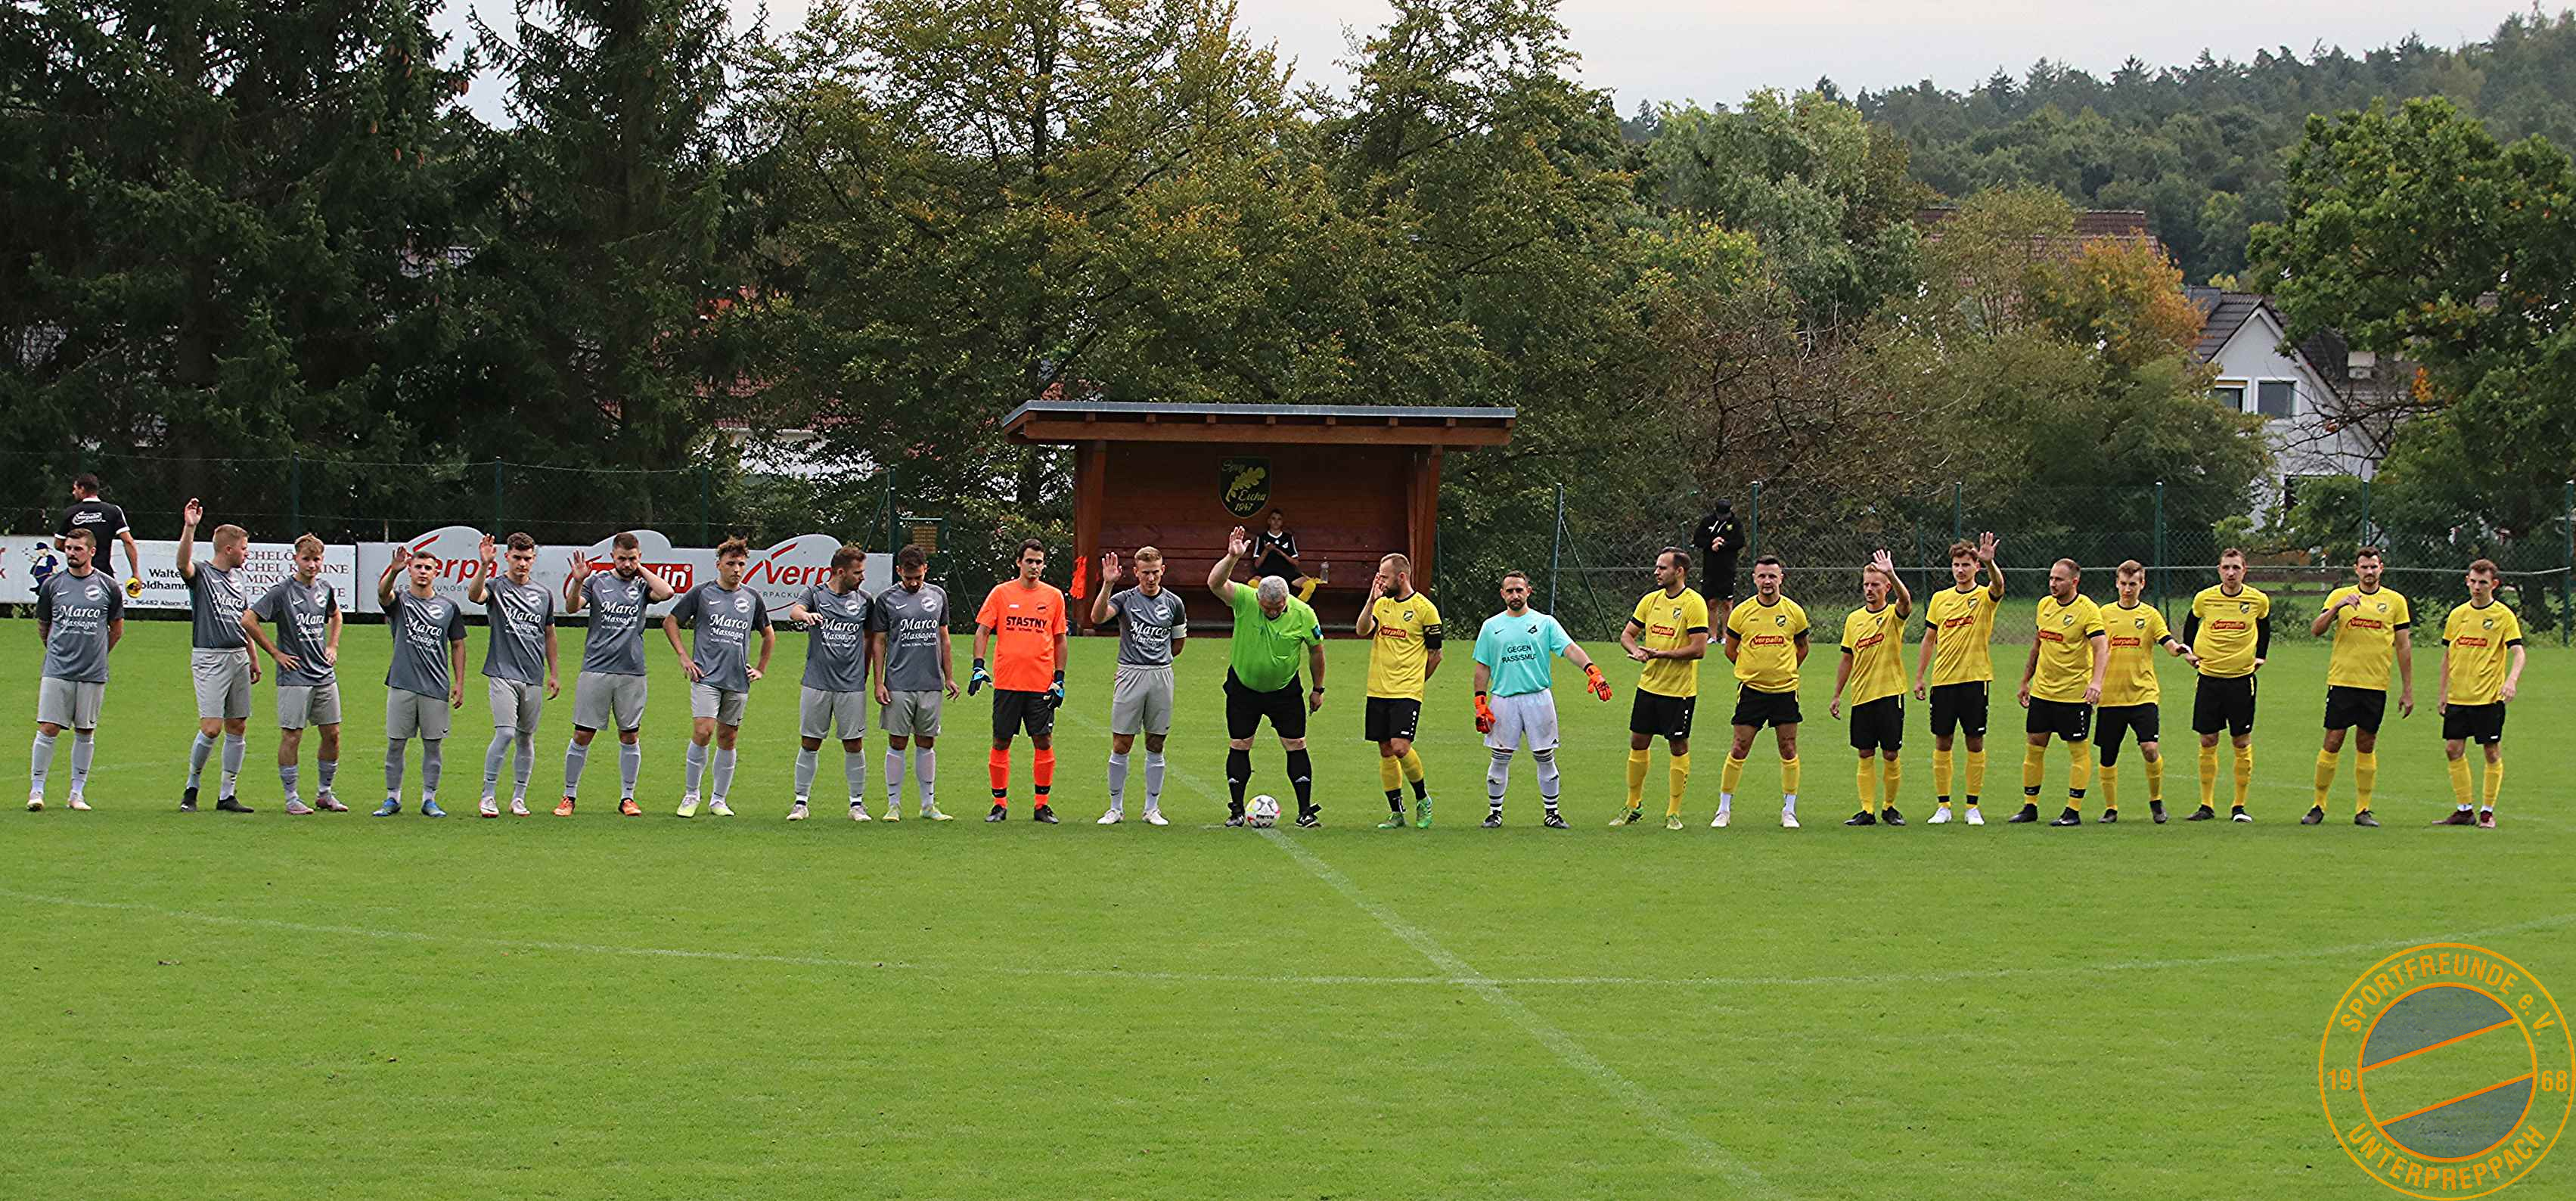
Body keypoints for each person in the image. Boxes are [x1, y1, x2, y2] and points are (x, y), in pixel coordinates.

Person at [1206, 526, 1328, 827]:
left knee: (1296, 744)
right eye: (1267, 608)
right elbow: (1215, 583)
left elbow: (1316, 651)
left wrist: (1318, 689)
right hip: (1243, 688)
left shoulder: (1304, 613)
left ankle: (1305, 811)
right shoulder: (1245, 599)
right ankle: (1236, 811)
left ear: (1287, 599)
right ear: (1258, 598)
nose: (1273, 612)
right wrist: (1232, 557)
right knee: (1240, 744)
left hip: (1285, 691)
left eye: (1278, 608)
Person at [1471, 569, 1610, 827]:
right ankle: (1495, 813)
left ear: (1529, 591)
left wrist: (1592, 671)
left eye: (1519, 590)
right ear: (1503, 594)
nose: (1515, 595)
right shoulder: (1491, 626)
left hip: (1538, 698)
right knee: (1500, 756)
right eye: (1510, 591)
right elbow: (1483, 666)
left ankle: (1552, 813)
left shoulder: (1545, 623)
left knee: (1545, 755)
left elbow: (1569, 648)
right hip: (1503, 700)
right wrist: (1480, 702)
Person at [558, 532, 678, 816]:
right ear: (612, 556)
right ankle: (569, 796)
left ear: (639, 557)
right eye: (622, 558)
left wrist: (641, 570)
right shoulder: (596, 582)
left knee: (630, 735)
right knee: (582, 734)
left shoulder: (642, 585)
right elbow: (571, 607)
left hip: (632, 671)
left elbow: (667, 593)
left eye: (632, 559)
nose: (627, 564)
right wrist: (578, 580)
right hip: (596, 668)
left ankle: (627, 798)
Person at [663, 537, 775, 818]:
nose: (736, 569)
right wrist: (684, 657)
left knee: (728, 737)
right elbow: (671, 621)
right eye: (731, 564)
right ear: (719, 565)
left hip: (738, 680)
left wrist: (761, 668)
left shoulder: (752, 598)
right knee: (703, 731)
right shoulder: (702, 593)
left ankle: (719, 800)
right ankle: (691, 795)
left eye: (741, 564)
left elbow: (768, 634)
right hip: (706, 677)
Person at [2307, 548, 2413, 827]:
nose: (2369, 571)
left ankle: (2363, 809)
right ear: (2356, 569)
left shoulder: (2395, 601)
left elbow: (2403, 646)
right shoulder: (2339, 596)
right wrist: (2337, 608)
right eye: (2364, 567)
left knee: (2366, 744)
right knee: (2333, 741)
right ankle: (2318, 805)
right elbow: (2316, 630)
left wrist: (2407, 689)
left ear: (2381, 568)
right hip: (2342, 681)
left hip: (2375, 685)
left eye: (2373, 567)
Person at [244, 535, 346, 814]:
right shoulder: (282, 592)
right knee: (292, 736)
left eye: (316, 560)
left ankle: (325, 793)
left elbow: (336, 615)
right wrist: (276, 653)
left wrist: (333, 645)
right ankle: (291, 798)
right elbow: (248, 620)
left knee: (333, 734)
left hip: (324, 674)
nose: (312, 565)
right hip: (294, 675)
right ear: (295, 559)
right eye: (306, 559)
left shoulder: (325, 588)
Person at [972, 538, 1070, 822]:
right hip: (1007, 683)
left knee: (1043, 740)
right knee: (1001, 741)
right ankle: (999, 804)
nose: (1034, 566)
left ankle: (1042, 805)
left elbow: (1060, 639)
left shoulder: (1054, 597)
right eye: (1029, 561)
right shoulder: (1001, 593)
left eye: (1039, 562)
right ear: (1019, 562)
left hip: (1041, 685)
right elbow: (983, 631)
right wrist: (978, 666)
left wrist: (1059, 679)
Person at [28, 529, 123, 812]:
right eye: (68, 548)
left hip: (93, 672)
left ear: (92, 551)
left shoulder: (108, 586)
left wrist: (97, 655)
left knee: (85, 730)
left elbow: (116, 629)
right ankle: (36, 790)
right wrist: (58, 652)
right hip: (57, 669)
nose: (71, 553)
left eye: (78, 549)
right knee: (48, 727)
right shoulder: (52, 585)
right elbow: (44, 625)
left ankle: (76, 794)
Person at [2093, 560, 2196, 824]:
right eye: (2123, 584)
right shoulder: (2103, 614)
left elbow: (2167, 642)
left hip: (2143, 694)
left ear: (2142, 584)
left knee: (2150, 749)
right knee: (2108, 755)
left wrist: (2180, 651)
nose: (2128, 589)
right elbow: (2092, 646)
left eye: (2133, 584)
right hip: (2110, 696)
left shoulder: (2150, 615)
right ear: (2116, 583)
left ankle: (2156, 801)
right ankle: (2111, 809)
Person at [1615, 548, 1710, 829]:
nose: (1656, 572)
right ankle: (1633, 805)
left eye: (1662, 568)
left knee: (1678, 745)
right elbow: (1627, 635)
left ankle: (1673, 812)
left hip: (1679, 691)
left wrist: (1662, 654)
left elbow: (1699, 649)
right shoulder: (1650, 600)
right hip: (1648, 686)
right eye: (1657, 567)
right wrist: (1636, 651)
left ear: (1679, 571)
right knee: (1637, 742)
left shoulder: (1694, 603)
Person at [1091, 547, 1187, 825]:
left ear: (1163, 570)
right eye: (1145, 573)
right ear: (1136, 573)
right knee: (1122, 742)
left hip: (1160, 674)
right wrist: (1108, 584)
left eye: (1155, 572)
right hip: (1130, 674)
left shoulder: (1174, 603)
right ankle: (1115, 808)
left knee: (1156, 742)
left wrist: (1158, 659)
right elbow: (1098, 617)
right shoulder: (1124, 599)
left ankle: (1152, 808)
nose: (1151, 578)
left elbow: (1178, 642)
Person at [1913, 533, 2003, 825]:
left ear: (1976, 566)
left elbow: (1999, 586)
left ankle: (1972, 807)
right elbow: (1929, 639)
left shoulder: (1984, 597)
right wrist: (1920, 676)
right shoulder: (1940, 599)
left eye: (1966, 564)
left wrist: (1990, 564)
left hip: (1975, 680)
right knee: (1943, 741)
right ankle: (1943, 806)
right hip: (1943, 682)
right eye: (1956, 565)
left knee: (1974, 741)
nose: (1960, 570)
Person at [175, 499, 258, 813]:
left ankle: (227, 794)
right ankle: (191, 788)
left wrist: (253, 657)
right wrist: (190, 527)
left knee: (238, 725)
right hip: (210, 658)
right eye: (244, 548)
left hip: (238, 657)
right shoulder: (203, 574)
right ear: (228, 549)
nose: (246, 553)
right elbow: (183, 564)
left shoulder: (238, 581)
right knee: (211, 727)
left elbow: (244, 622)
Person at [2012, 559, 2109, 826]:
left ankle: (2072, 811)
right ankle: (2030, 806)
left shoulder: (2088, 610)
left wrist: (2096, 683)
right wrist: (2025, 681)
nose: (2053, 584)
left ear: (2074, 582)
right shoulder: (2044, 605)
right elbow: (2037, 645)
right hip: (2043, 692)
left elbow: (2102, 648)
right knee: (2034, 745)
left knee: (2078, 750)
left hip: (2074, 694)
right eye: (2051, 578)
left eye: (2059, 579)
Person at [1718, 555, 1811, 829]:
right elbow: (1730, 650)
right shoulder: (1741, 613)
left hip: (1785, 691)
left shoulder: (1794, 612)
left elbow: (1802, 648)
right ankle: (1723, 810)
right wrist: (1752, 670)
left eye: (1772, 576)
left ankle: (1789, 811)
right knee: (1739, 747)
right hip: (1752, 692)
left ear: (1781, 578)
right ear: (1754, 579)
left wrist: (1784, 670)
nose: (1767, 581)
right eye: (1762, 576)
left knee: (1788, 747)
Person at [470, 532, 560, 818]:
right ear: (507, 557)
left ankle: (519, 797)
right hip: (502, 672)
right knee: (506, 732)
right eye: (517, 558)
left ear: (534, 559)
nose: (522, 563)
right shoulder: (496, 586)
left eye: (527, 558)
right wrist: (484, 565)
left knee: (526, 737)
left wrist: (554, 673)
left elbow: (549, 634)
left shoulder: (543, 594)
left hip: (533, 675)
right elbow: (475, 596)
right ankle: (488, 795)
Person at [374, 548, 467, 818]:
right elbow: (383, 594)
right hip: (402, 683)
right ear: (410, 570)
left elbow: (458, 645)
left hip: (435, 687)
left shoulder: (448, 607)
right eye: (418, 567)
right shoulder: (400, 602)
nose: (423, 572)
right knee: (395, 744)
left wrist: (459, 682)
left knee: (433, 745)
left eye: (428, 568)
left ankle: (430, 799)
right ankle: (392, 798)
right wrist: (393, 571)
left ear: (436, 572)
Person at [784, 545, 874, 821]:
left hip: (851, 685)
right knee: (810, 742)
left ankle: (857, 805)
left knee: (854, 744)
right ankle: (800, 803)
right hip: (817, 682)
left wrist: (865, 672)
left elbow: (870, 637)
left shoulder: (865, 600)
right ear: (840, 572)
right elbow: (795, 611)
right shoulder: (815, 594)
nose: (862, 577)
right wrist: (806, 615)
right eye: (857, 572)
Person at [2183, 548, 2271, 821]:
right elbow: (2192, 621)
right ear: (2219, 570)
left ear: (2245, 570)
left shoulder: (2257, 600)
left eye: (2236, 568)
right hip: (2209, 678)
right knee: (2208, 739)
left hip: (2241, 680)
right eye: (2226, 568)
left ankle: (2239, 806)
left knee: (2241, 741)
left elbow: (2264, 625)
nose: (2231, 573)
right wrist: (2189, 652)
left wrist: (2261, 655)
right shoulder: (2205, 598)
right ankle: (2206, 805)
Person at [871, 544, 958, 821]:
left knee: (926, 741)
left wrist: (949, 677)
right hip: (898, 683)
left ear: (926, 570)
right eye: (908, 578)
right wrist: (879, 682)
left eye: (918, 577)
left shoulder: (938, 595)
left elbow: (944, 638)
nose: (913, 583)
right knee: (897, 741)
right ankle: (893, 805)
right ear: (899, 571)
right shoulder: (886, 600)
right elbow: (879, 642)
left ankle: (928, 805)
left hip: (930, 682)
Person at [2436, 559, 2525, 829]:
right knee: (2453, 749)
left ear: (2494, 584)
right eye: (2473, 581)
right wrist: (2443, 693)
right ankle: (2464, 810)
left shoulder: (2503, 616)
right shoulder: (2457, 615)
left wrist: (2511, 681)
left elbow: (2519, 653)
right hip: (2458, 696)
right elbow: (2448, 655)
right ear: (2467, 581)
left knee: (2491, 752)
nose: (2477, 587)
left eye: (2483, 583)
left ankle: (2487, 812)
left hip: (2488, 698)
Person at [1357, 552, 1442, 829]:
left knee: (1400, 746)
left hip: (1406, 691)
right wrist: (1371, 600)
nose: (1380, 581)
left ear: (1401, 577)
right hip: (1377, 689)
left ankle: (1423, 798)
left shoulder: (1425, 609)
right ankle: (1396, 812)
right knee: (1385, 749)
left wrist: (1417, 682)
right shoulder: (1381, 605)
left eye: (1384, 577)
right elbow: (1362, 630)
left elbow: (1436, 654)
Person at [1830, 551, 1913, 827]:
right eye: (1866, 584)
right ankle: (1867, 810)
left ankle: (1890, 808)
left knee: (1890, 753)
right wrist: (1837, 695)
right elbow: (1847, 658)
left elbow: (1906, 601)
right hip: (1861, 696)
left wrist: (1891, 573)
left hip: (1890, 694)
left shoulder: (1893, 615)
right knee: (1865, 752)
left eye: (1875, 584)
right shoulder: (1853, 619)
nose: (1869, 589)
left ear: (1886, 587)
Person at [57, 473, 141, 599]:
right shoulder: (113, 511)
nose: (73, 493)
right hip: (104, 573)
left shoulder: (70, 512)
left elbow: (58, 544)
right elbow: (128, 541)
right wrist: (135, 573)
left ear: (82, 489)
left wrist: (78, 552)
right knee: (107, 608)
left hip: (77, 574)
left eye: (75, 489)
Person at [1687, 501, 1745, 628]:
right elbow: (1698, 540)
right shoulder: (1708, 522)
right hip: (1710, 568)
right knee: (1711, 602)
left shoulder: (1735, 523)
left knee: (1727, 603)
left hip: (1728, 568)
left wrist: (1724, 545)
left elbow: (1740, 542)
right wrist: (1711, 543)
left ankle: (1726, 634)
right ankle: (1712, 635)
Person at [1252, 509, 1323, 603]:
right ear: (1268, 521)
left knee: (1310, 585)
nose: (1276, 522)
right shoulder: (1261, 538)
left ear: (1282, 522)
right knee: (1252, 584)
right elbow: (1257, 565)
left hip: (1287, 573)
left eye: (1279, 519)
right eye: (1273, 519)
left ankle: (1295, 606)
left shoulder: (1288, 538)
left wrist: (1281, 553)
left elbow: (1296, 563)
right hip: (1267, 573)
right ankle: (1266, 605)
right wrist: (1266, 550)